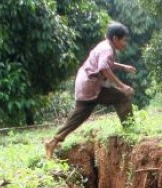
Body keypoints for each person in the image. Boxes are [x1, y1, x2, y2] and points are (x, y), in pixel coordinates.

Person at [44, 22, 137, 159]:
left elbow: (106, 63)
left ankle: (53, 142)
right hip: (90, 85)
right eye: (124, 40)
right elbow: (103, 68)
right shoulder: (107, 49)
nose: (125, 44)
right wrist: (122, 86)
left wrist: (123, 67)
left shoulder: (104, 45)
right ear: (115, 39)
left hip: (86, 83)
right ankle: (131, 131)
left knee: (79, 115)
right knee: (122, 96)